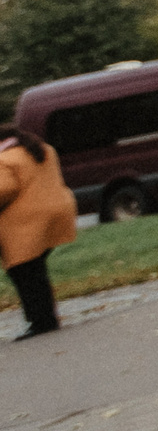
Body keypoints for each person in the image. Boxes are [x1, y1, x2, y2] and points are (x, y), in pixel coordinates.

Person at [1, 123, 77, 340]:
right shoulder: (43, 149)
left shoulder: (5, 159)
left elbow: (4, 189)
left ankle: (41, 321)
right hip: (56, 211)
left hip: (25, 222)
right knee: (34, 269)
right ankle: (46, 318)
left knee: (23, 271)